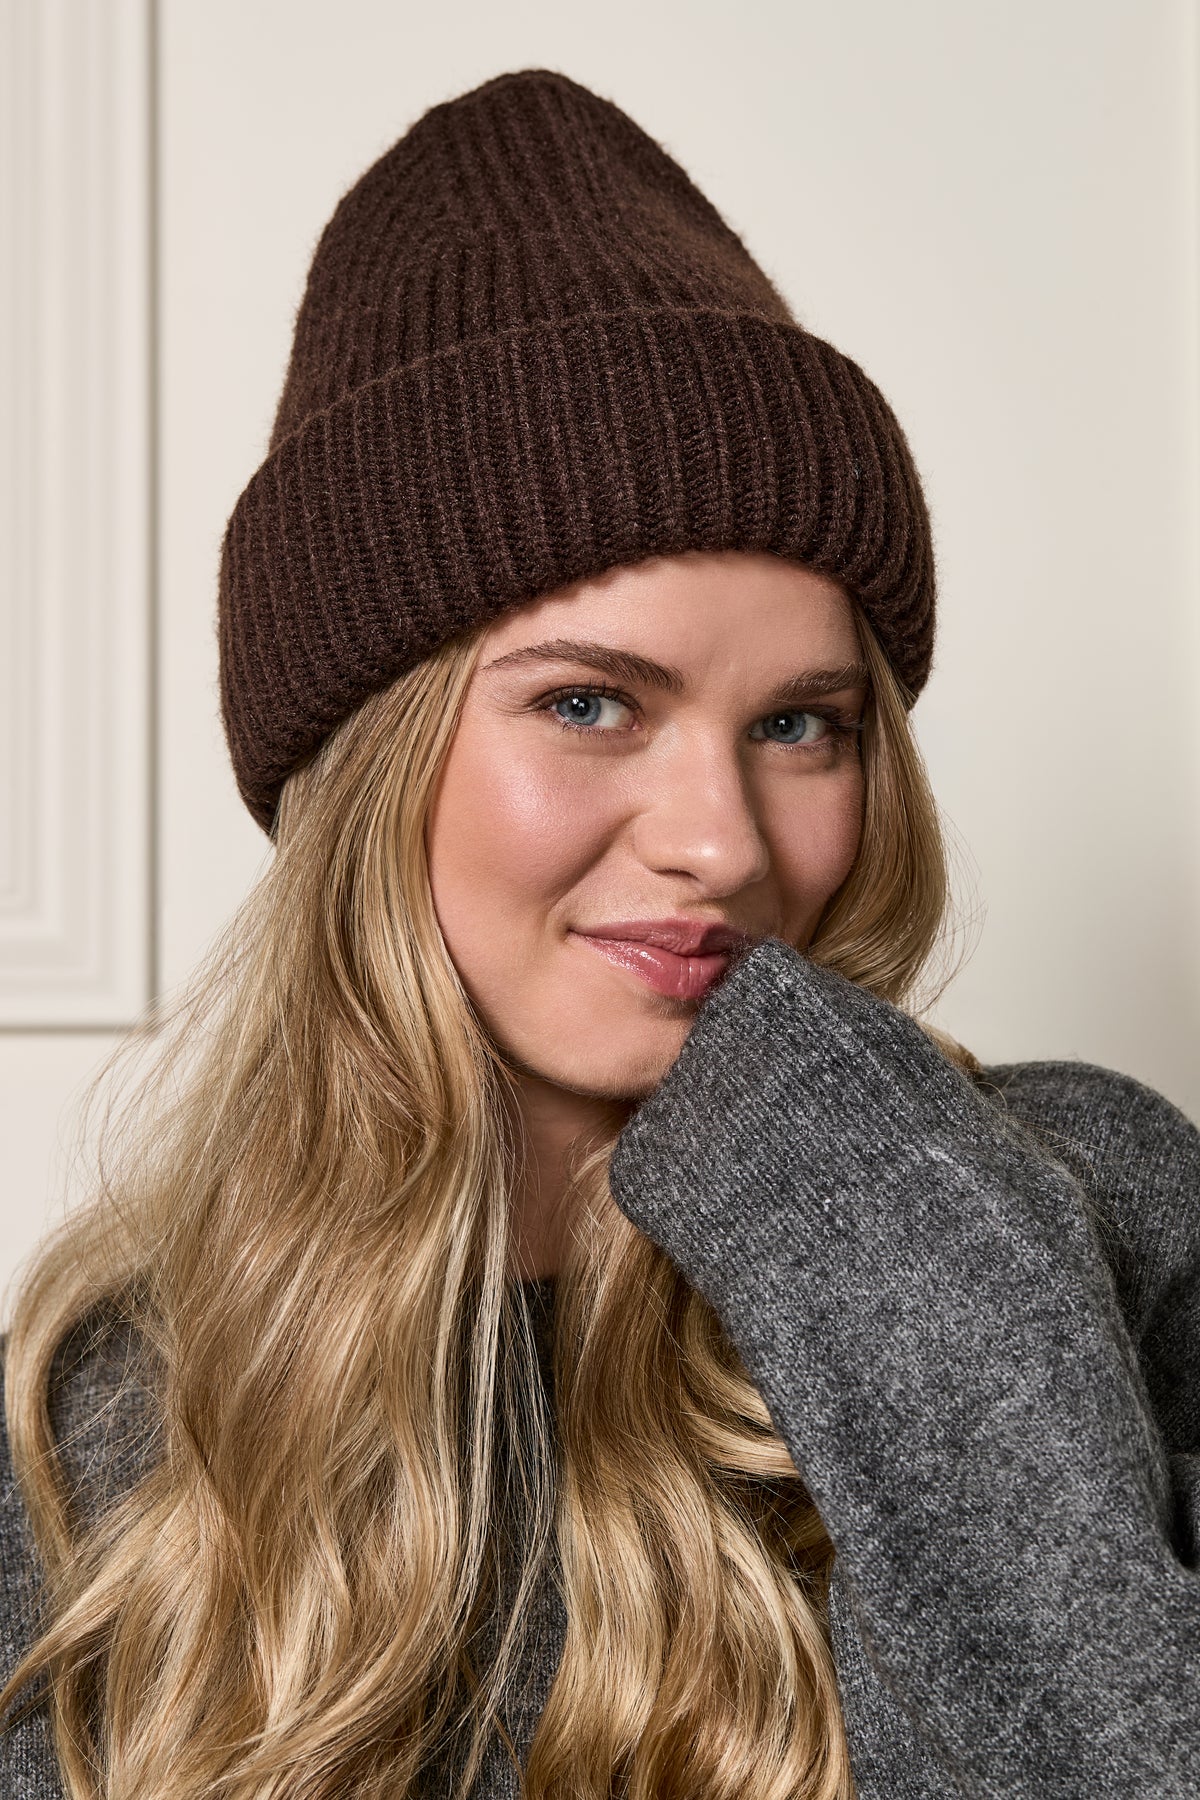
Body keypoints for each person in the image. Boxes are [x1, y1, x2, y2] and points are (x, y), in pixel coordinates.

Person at [1, 65, 1197, 1800]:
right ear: (377, 761)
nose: (722, 839)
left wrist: (880, 1237)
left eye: (802, 724)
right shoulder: (106, 1424)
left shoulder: (1085, 1220)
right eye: (588, 704)